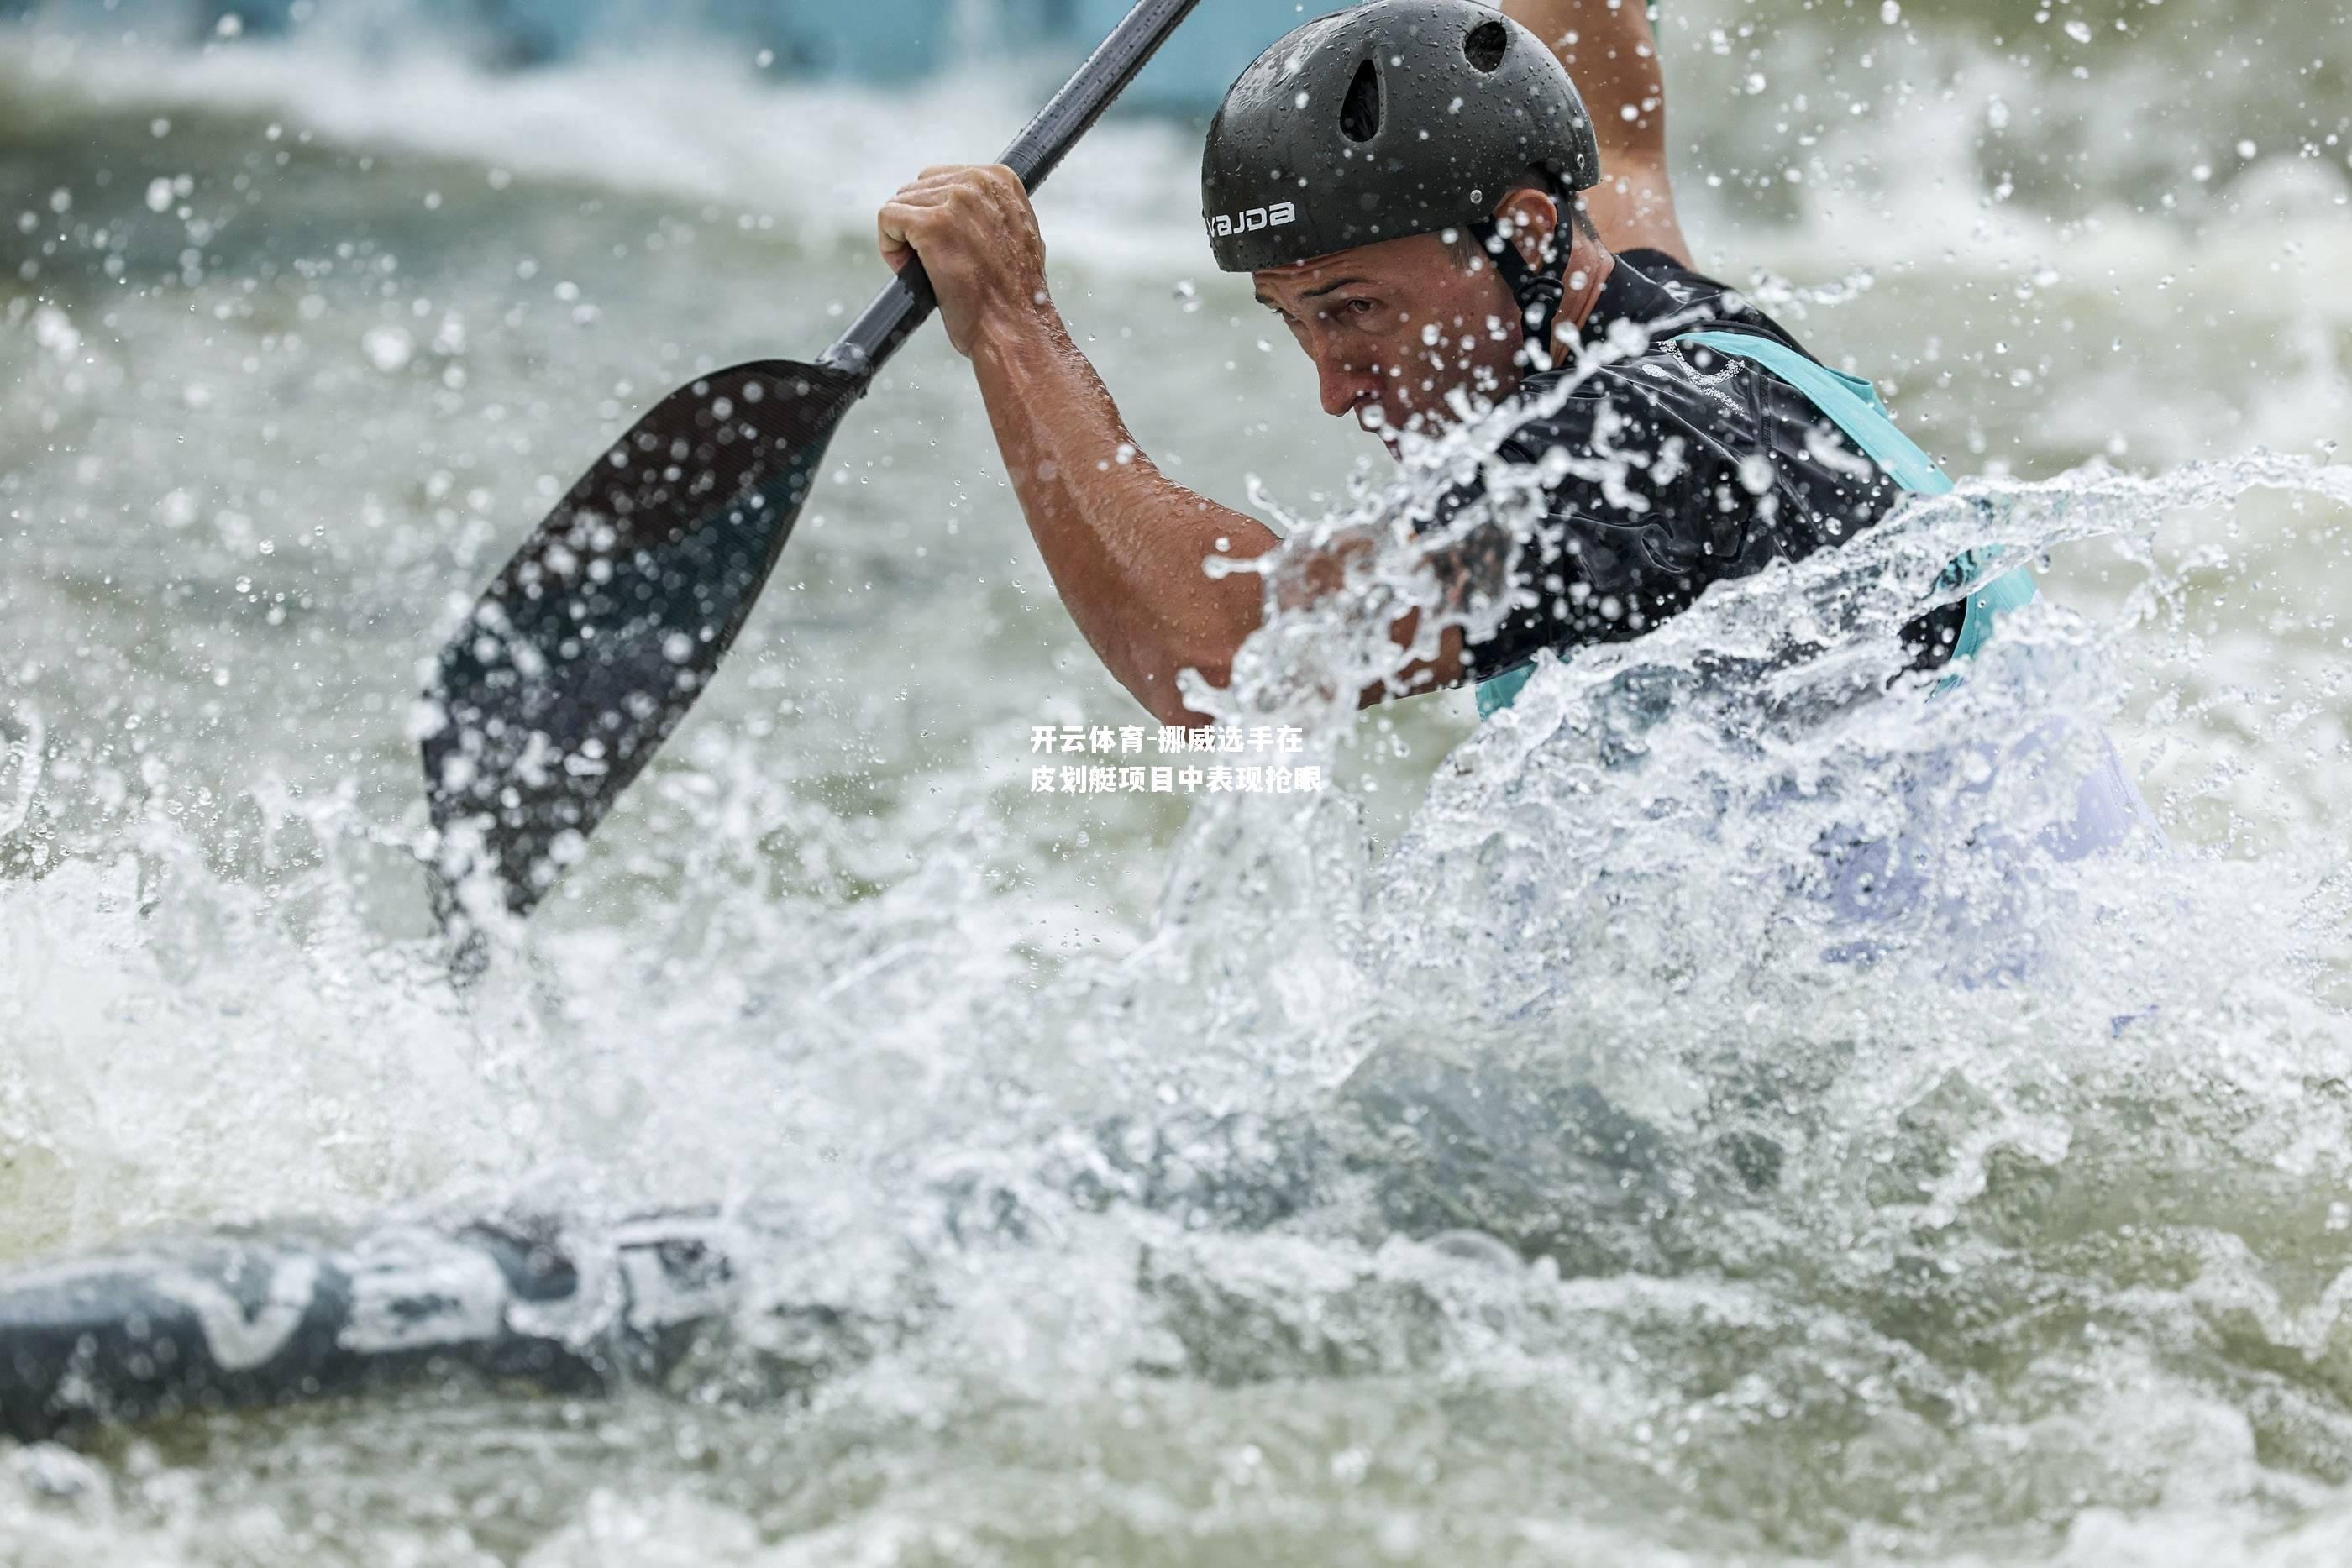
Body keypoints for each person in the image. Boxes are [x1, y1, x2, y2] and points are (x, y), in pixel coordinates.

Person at [871, 0, 1997, 726]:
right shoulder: (1620, 281)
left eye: (1356, 310)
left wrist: (1013, 324)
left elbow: (1218, 657)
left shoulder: (1640, 459)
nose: (1335, 387)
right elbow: (1613, 104)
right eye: (1294, 319)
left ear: (1524, 231)